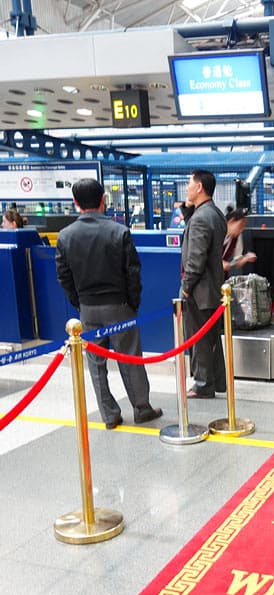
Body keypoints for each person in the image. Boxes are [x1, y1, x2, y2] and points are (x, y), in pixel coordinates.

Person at [55, 178, 162, 430]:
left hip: (87, 308)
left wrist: (80, 303)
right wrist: (132, 304)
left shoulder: (65, 236)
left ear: (75, 203)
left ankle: (109, 414)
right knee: (130, 357)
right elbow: (132, 273)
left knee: (95, 362)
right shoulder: (119, 231)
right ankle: (141, 408)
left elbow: (64, 276)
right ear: (103, 200)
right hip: (120, 305)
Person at [180, 169, 227, 399]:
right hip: (213, 287)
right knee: (210, 338)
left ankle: (202, 384)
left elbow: (195, 260)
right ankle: (215, 381)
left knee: (198, 338)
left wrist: (186, 288)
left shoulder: (200, 218)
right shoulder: (214, 214)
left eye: (189, 183)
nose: (187, 187)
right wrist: (187, 208)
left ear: (199, 187)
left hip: (199, 290)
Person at [222, 208, 257, 276]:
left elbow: (237, 262)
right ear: (231, 222)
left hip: (221, 275)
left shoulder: (237, 237)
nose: (241, 230)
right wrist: (218, 263)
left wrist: (246, 258)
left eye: (243, 227)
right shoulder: (217, 231)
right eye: (240, 226)